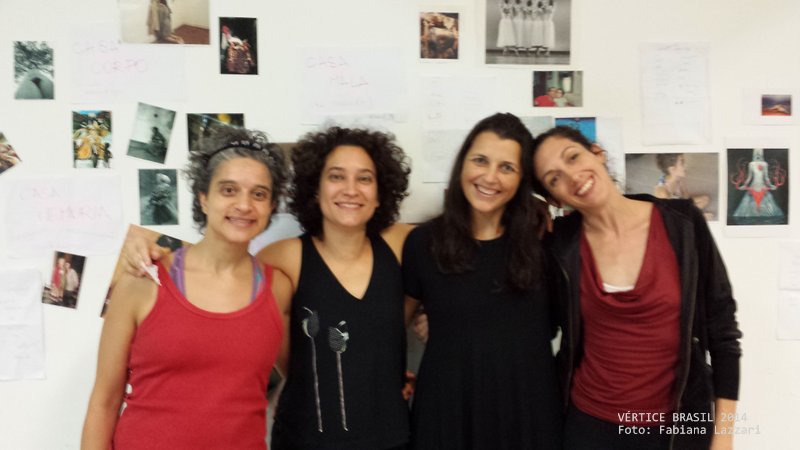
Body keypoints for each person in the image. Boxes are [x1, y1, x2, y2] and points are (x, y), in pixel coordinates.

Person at [123, 126, 414, 449]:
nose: (350, 189)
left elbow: (450, 269)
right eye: (336, 176)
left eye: (364, 178)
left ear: (380, 192)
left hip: (391, 439)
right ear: (315, 189)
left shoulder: (403, 245)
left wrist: (423, 328)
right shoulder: (280, 258)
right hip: (303, 439)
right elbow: (218, 283)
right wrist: (146, 247)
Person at [531, 126, 742, 450]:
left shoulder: (683, 224)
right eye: (554, 179)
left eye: (573, 157)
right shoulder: (558, 244)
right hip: (589, 427)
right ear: (554, 198)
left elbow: (723, 331)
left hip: (677, 430)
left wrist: (724, 434)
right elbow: (529, 320)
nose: (572, 177)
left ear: (597, 154)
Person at [81, 125, 292, 449]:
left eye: (259, 194)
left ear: (271, 206)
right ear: (203, 198)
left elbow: (304, 377)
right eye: (229, 190)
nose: (244, 205)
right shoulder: (144, 279)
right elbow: (104, 402)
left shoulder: (279, 288)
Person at [403, 113, 562, 449]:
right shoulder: (424, 242)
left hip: (527, 413)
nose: (490, 177)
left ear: (522, 179)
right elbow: (394, 324)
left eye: (507, 167)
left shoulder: (544, 241)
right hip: (448, 414)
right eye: (480, 160)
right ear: (462, 163)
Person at [731, 148, 786, 221]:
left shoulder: (764, 164)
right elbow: (750, 177)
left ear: (762, 153)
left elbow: (766, 178)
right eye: (756, 152)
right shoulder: (751, 164)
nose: (758, 154)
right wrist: (745, 185)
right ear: (754, 153)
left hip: (763, 187)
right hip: (753, 186)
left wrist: (770, 185)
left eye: (759, 152)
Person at [654, 153, 712, 219]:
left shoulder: (678, 177)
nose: (686, 165)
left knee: (705, 199)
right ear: (672, 169)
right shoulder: (663, 193)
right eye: (682, 163)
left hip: (679, 204)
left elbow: (686, 197)